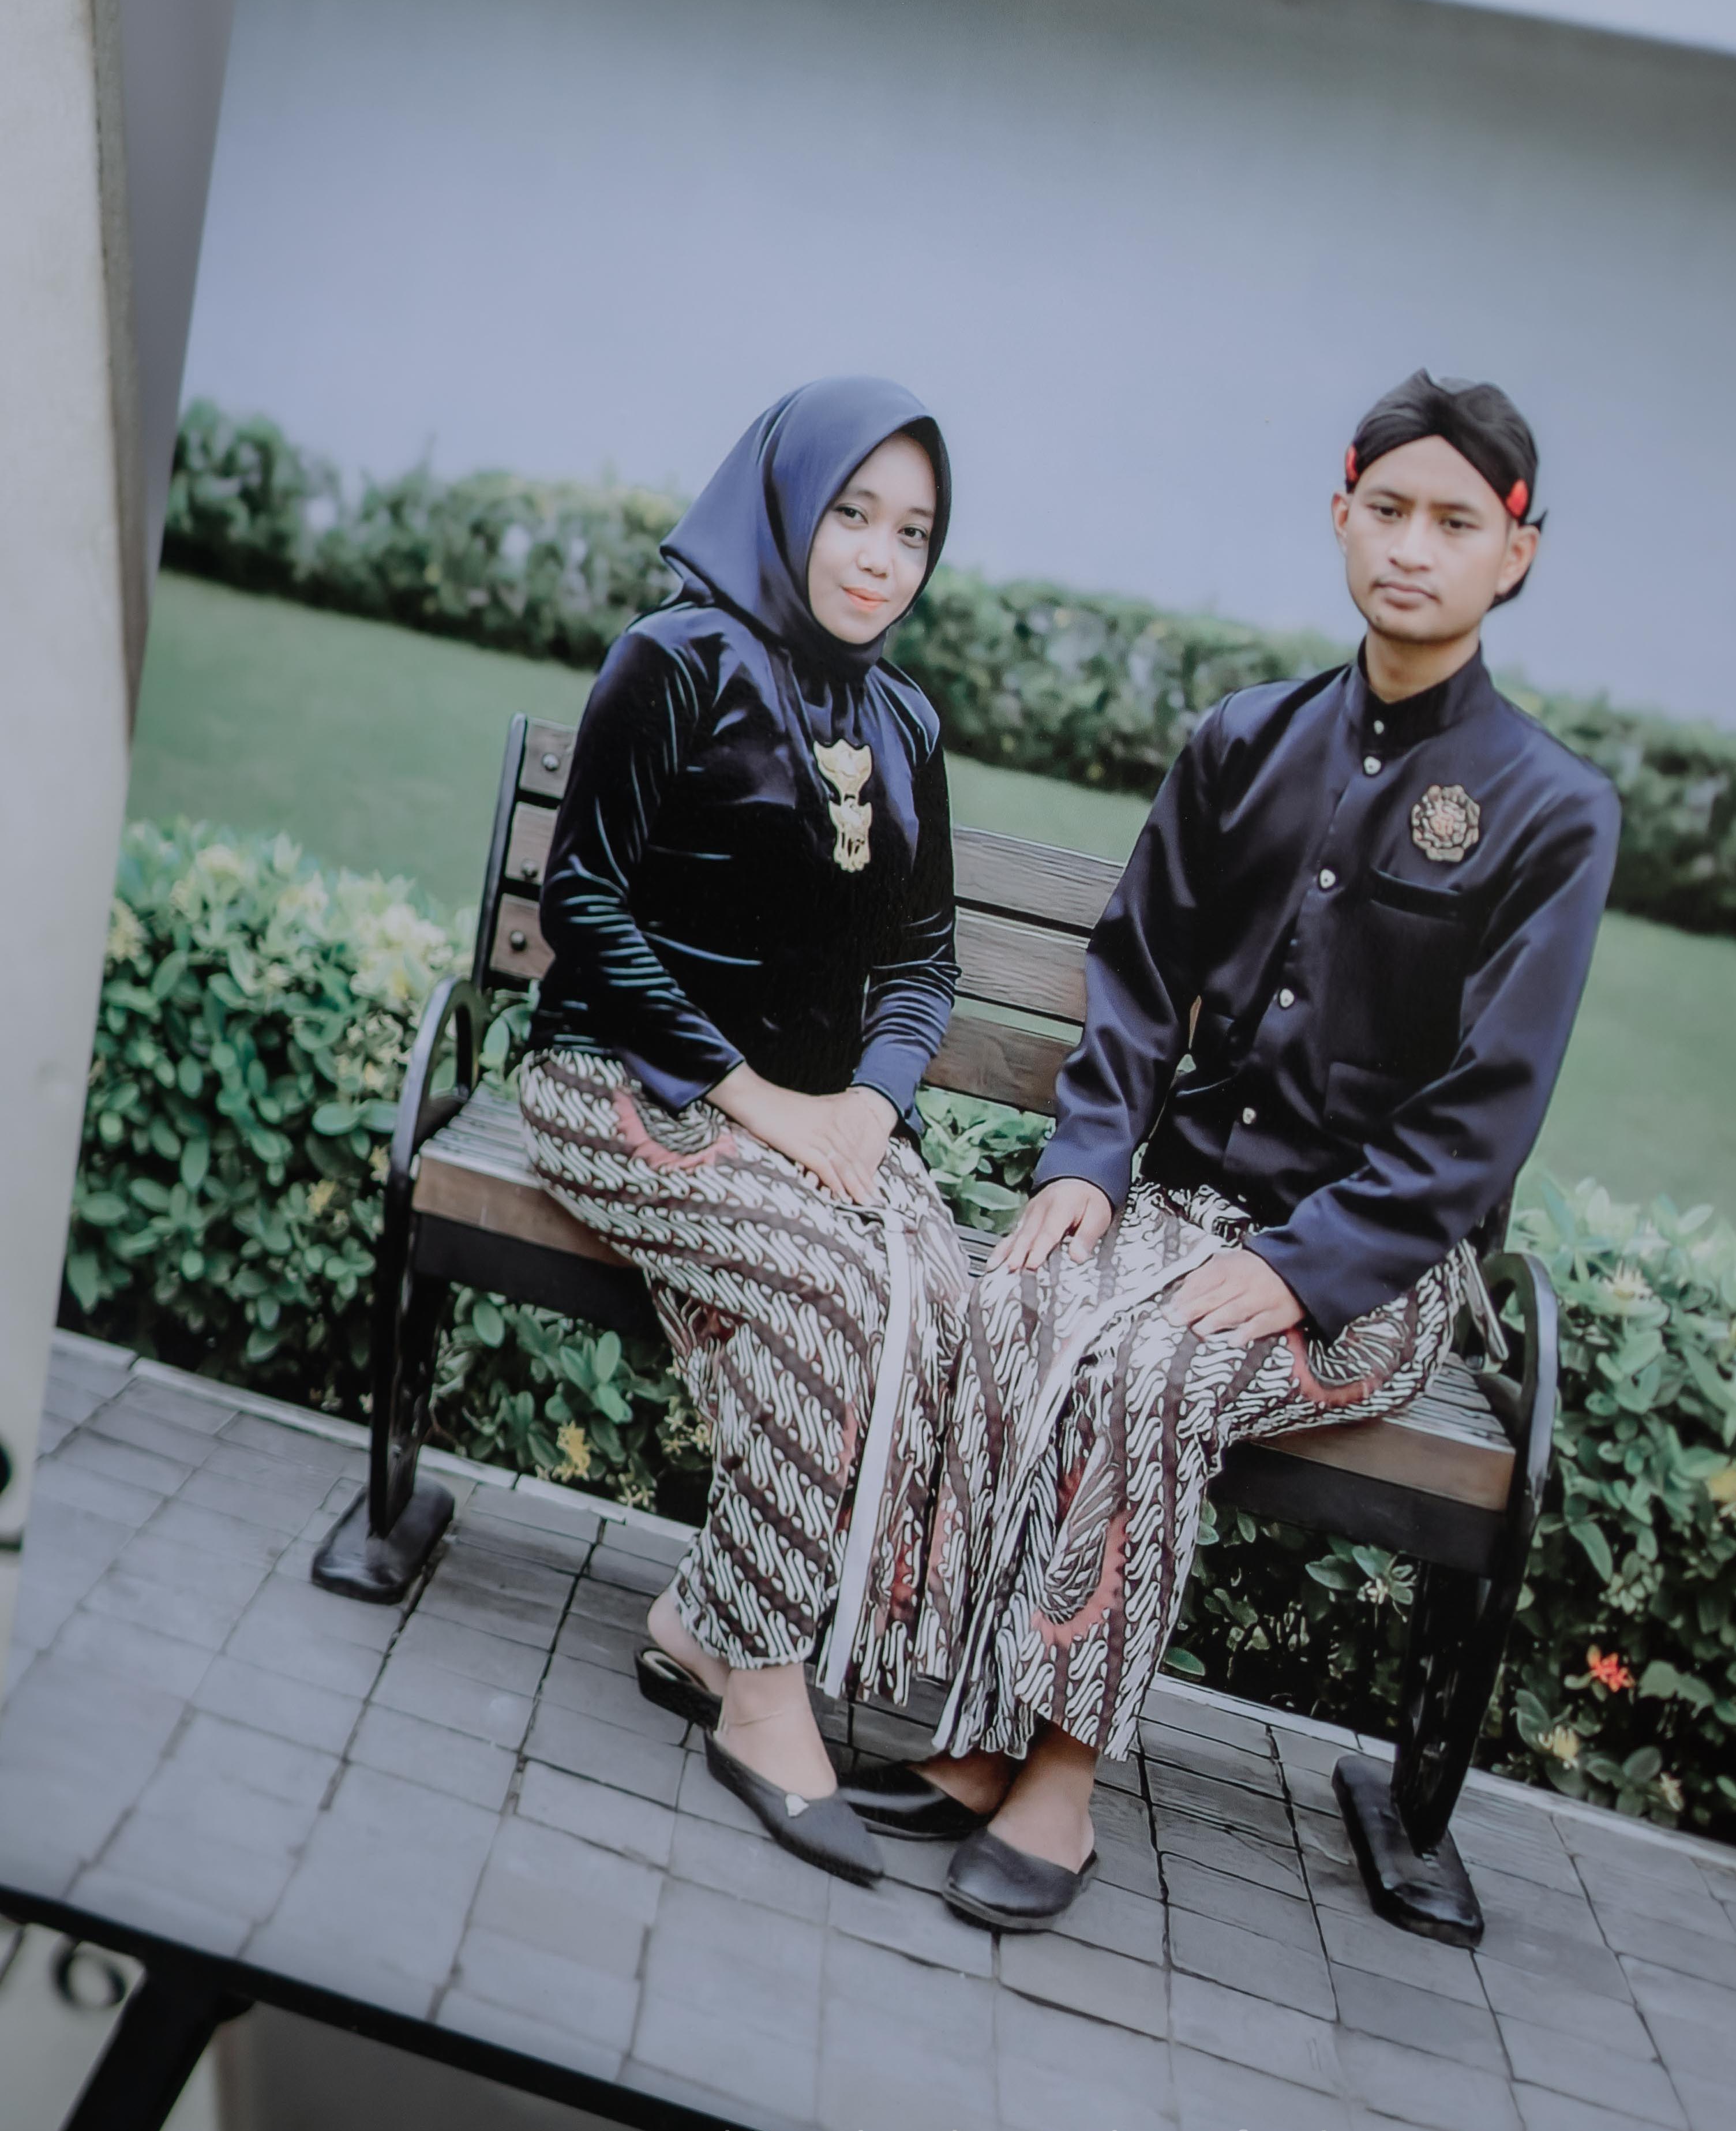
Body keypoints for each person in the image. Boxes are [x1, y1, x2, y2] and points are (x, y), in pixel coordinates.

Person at [842, 370, 1622, 1931]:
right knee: (1017, 1303)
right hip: (1179, 1206)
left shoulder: (1553, 813)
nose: (1414, 547)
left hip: (1370, 1274)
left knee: (1155, 1372)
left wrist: (1309, 1270)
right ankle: (977, 1732)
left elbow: (1488, 1106)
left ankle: (1062, 1775)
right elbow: (1139, 973)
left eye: (1455, 522)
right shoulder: (1247, 740)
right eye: (1387, 510)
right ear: (1342, 516)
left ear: (1516, 553)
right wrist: (1087, 1163)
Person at [516, 378, 974, 1888]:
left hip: (820, 1118)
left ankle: (706, 1622)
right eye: (854, 515)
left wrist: (869, 1109)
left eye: (914, 533)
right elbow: (584, 906)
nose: (882, 559)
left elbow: (923, 967)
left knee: (941, 1290)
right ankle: (763, 1692)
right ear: (785, 505)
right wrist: (762, 1102)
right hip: (622, 1079)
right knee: (826, 1286)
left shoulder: (905, 720)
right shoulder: (675, 658)